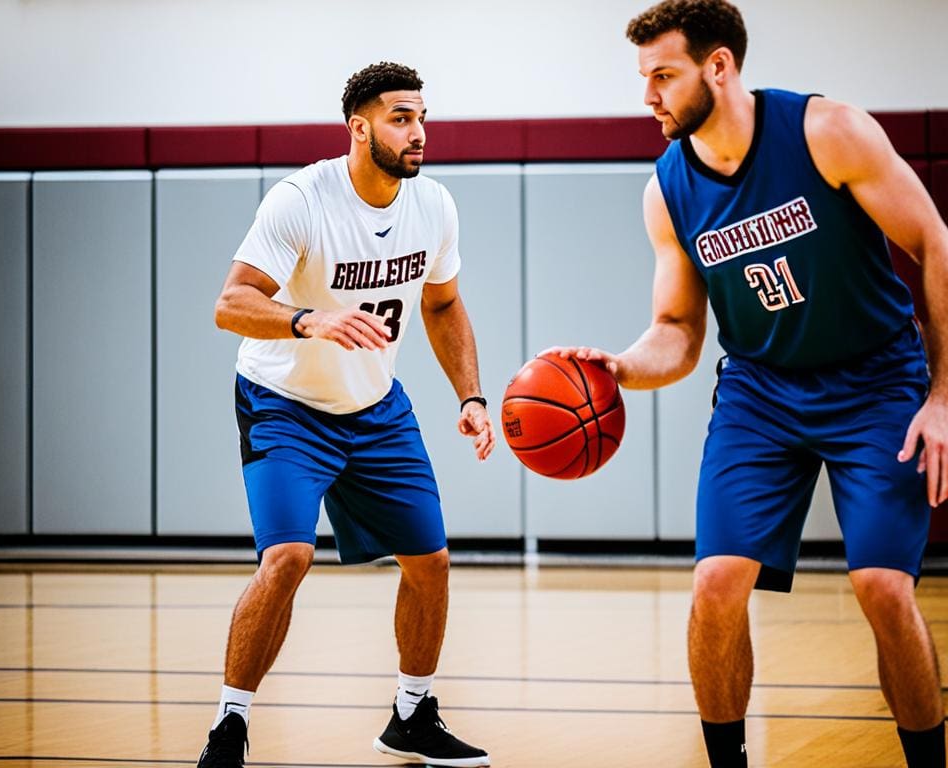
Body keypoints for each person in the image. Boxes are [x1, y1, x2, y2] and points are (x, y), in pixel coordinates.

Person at [550, 1, 948, 765]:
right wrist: (623, 367)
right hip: (761, 392)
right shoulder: (667, 189)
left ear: (719, 66)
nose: (648, 98)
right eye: (645, 79)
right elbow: (679, 330)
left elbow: (932, 244)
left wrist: (941, 396)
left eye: (663, 76)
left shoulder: (827, 132)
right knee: (716, 585)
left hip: (876, 382)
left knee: (882, 589)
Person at [196, 61, 494, 768]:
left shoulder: (435, 207)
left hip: (374, 409)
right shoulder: (302, 198)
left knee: (432, 562)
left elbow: (444, 305)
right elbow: (229, 304)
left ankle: (412, 713)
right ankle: (229, 725)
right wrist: (307, 319)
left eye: (422, 116)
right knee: (289, 557)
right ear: (358, 128)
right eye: (401, 118)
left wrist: (472, 397)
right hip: (285, 405)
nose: (418, 131)